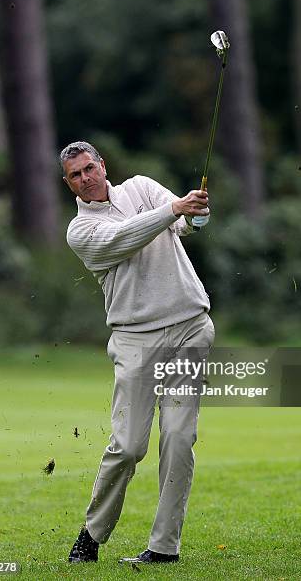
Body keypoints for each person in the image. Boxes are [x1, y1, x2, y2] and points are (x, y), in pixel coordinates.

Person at [61, 141, 215, 565]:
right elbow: (125, 236)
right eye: (76, 175)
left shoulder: (142, 187)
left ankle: (164, 548)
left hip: (190, 326)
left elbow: (185, 225)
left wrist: (197, 214)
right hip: (135, 339)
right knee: (129, 446)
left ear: (102, 165)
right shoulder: (81, 232)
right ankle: (93, 533)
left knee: (180, 439)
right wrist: (175, 211)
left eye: (89, 168)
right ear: (68, 183)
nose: (86, 178)